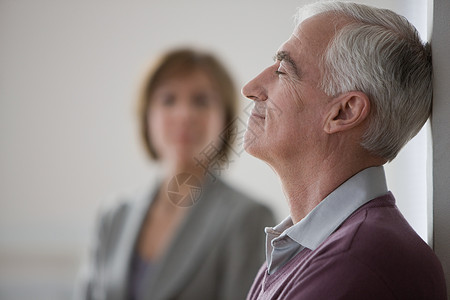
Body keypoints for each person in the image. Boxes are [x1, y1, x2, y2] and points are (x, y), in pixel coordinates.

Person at [242, 1, 447, 299]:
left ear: (344, 112)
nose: (251, 87)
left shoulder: (361, 260)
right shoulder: (305, 250)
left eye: (284, 71)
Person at [75, 48, 275, 300]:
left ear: (225, 118)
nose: (183, 115)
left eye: (201, 100)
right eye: (168, 99)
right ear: (146, 116)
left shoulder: (249, 218)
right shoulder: (113, 215)